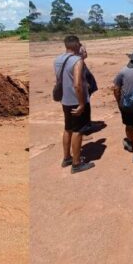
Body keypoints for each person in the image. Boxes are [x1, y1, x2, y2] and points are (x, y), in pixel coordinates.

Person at [54, 35, 95, 174]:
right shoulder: (77, 61)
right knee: (78, 131)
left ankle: (66, 158)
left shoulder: (58, 59)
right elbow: (77, 84)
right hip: (76, 101)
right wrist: (82, 104)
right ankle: (76, 164)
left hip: (65, 100)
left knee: (68, 129)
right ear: (77, 45)